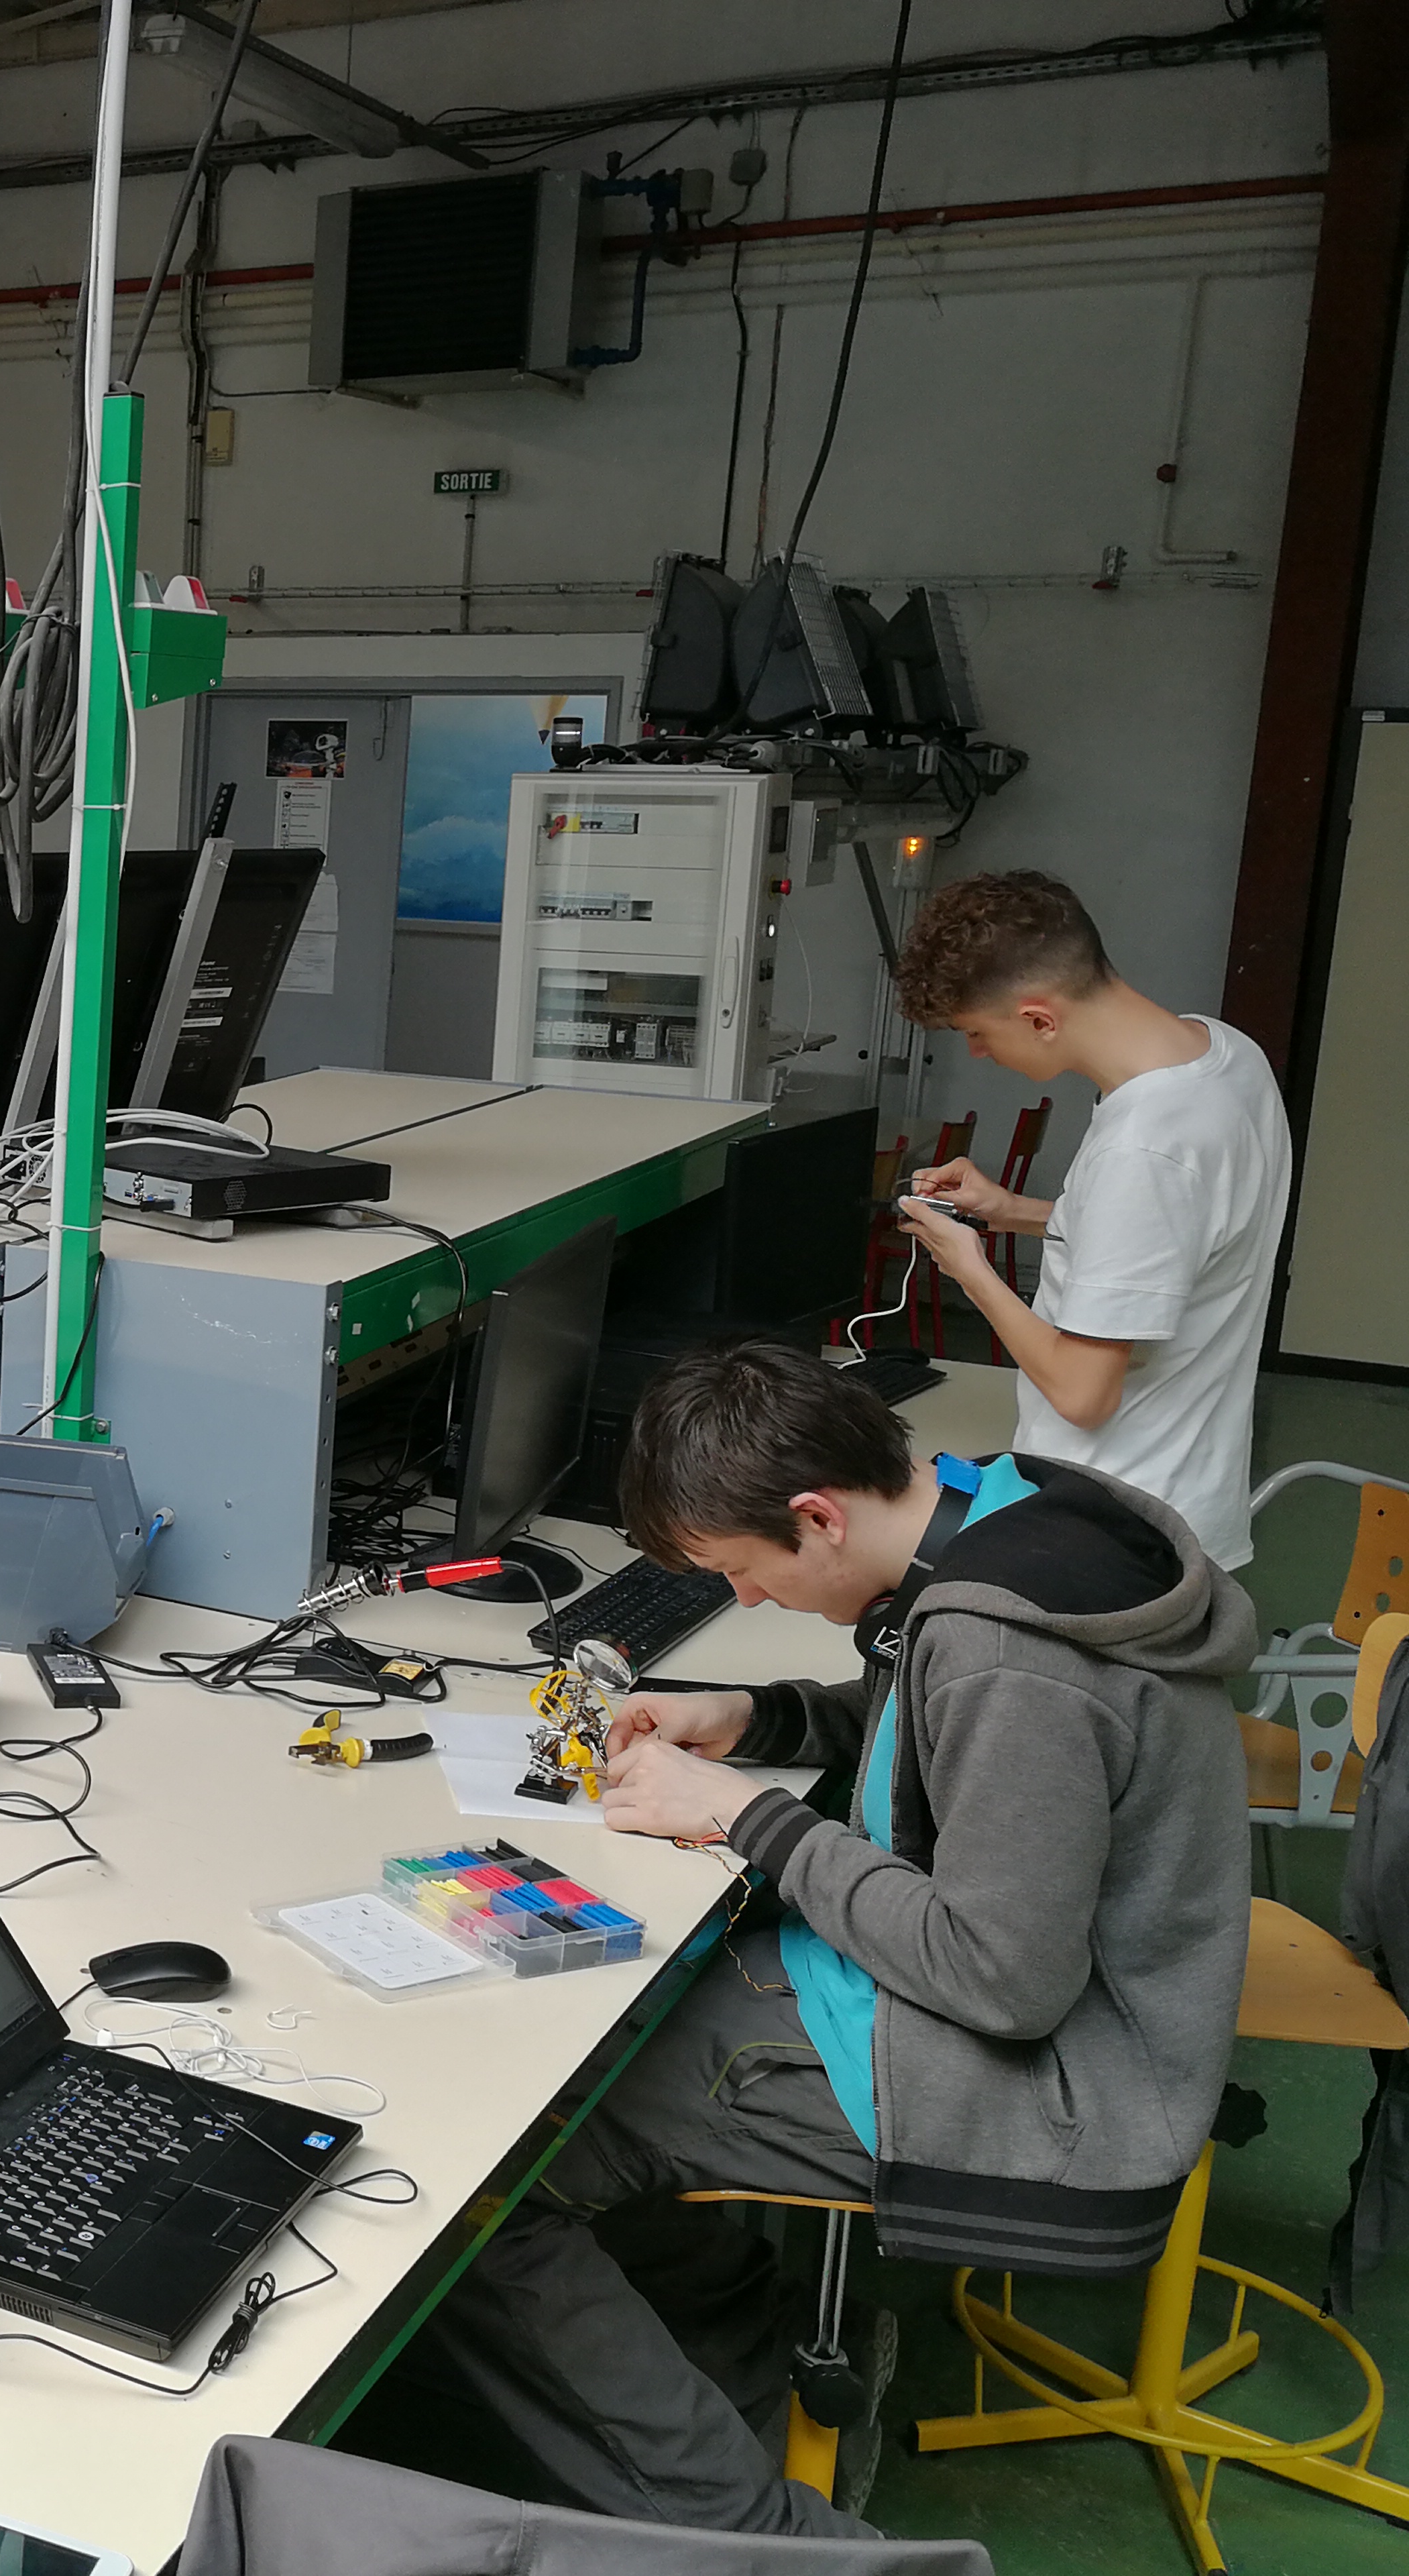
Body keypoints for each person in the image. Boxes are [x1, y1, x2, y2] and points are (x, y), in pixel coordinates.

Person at [407, 1339, 1248, 2538]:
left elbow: (1003, 1976)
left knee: (488, 2171)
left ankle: (763, 2544)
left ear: (815, 1516)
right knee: (588, 2055)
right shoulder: (996, 1514)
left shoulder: (1011, 1658)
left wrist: (749, 1818)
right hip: (983, 1996)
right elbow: (945, 1735)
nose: (747, 1601)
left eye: (740, 1571)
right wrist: (758, 1716)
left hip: (1050, 2083)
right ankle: (744, 2350)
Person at [889, 869, 1291, 1569]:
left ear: (1039, 1019)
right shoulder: (1222, 1053)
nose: (978, 1052)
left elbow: (1083, 1394)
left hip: (1120, 1531)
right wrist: (1012, 1212)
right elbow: (1177, 1236)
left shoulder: (1145, 1147)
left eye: (976, 1032)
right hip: (1182, 1503)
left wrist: (971, 1269)